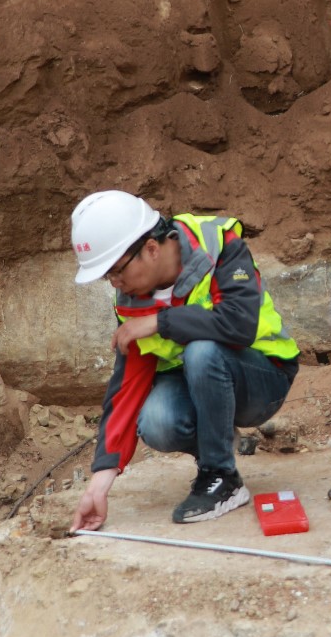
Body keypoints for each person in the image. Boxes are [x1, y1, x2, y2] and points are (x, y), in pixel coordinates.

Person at [67, 191, 299, 531]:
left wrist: (160, 322)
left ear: (151, 248)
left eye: (116, 271)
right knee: (156, 421)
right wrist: (98, 486)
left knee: (202, 350)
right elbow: (127, 386)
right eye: (107, 276)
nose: (115, 283)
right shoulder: (131, 299)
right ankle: (217, 450)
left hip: (263, 379)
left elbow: (239, 322)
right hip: (200, 385)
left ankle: (220, 477)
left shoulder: (218, 246)